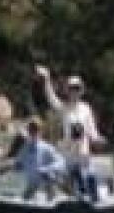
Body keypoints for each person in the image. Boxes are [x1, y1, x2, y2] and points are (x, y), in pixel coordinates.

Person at [35, 65, 109, 201]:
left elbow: (92, 131)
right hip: (67, 153)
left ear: (81, 90)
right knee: (61, 176)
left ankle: (93, 201)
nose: (74, 91)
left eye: (77, 88)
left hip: (83, 153)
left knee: (90, 177)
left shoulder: (86, 108)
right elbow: (50, 97)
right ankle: (66, 194)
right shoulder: (63, 108)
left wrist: (98, 139)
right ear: (67, 91)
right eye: (71, 88)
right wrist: (47, 78)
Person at [3, 117, 66, 202]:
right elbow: (18, 164)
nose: (33, 133)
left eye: (35, 130)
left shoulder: (47, 148)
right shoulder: (25, 148)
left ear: (40, 132)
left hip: (42, 189)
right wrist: (8, 168)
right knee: (10, 193)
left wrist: (46, 169)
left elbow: (61, 163)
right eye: (31, 130)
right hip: (28, 187)